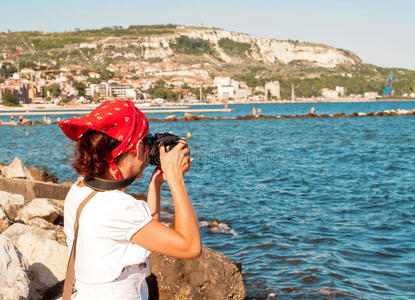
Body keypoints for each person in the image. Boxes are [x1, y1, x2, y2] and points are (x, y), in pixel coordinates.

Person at [58, 100, 201, 300]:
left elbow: (143, 233)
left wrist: (155, 185)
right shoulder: (118, 207)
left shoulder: (80, 189)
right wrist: (176, 179)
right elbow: (191, 247)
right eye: (145, 141)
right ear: (134, 148)